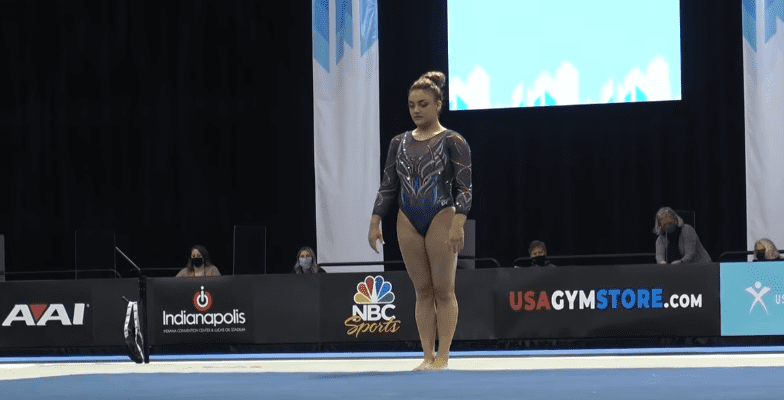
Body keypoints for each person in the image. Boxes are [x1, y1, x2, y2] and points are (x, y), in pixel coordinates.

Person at [368, 71, 472, 371]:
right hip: (407, 218)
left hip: (441, 214)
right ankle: (427, 355)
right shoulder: (398, 142)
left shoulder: (454, 141)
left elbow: (465, 187)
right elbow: (388, 185)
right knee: (422, 291)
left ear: (438, 104)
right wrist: (375, 220)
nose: (416, 110)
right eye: (412, 104)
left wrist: (459, 222)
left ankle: (443, 356)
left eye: (423, 104)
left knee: (443, 289)